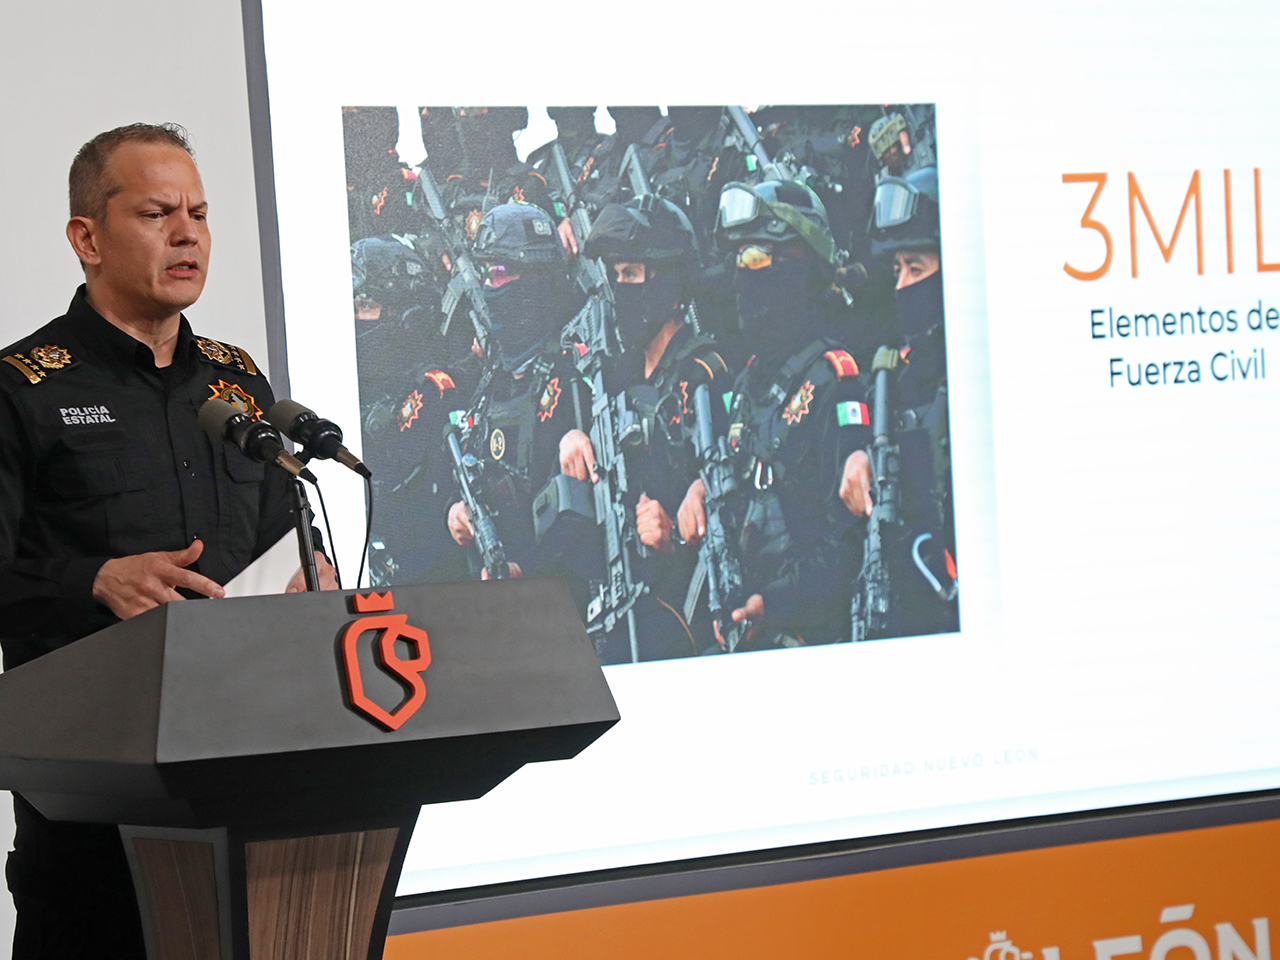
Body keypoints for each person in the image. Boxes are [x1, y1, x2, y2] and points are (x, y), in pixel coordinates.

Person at [0, 122, 336, 959]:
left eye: (199, 214)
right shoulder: (21, 391)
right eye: (157, 214)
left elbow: (276, 543)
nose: (187, 234)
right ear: (87, 239)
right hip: (94, 818)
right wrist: (92, 580)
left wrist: (310, 573)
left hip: (250, 783)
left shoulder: (237, 383)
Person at [676, 179, 873, 650]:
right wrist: (700, 493)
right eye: (738, 259)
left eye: (756, 258)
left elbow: (852, 547)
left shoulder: (835, 380)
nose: (743, 277)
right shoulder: (749, 384)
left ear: (800, 266)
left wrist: (775, 603)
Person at [558, 195, 732, 662]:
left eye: (632, 274)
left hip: (687, 618)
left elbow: (730, 487)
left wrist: (680, 527)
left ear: (667, 278)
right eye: (616, 275)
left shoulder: (704, 371)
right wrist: (574, 439)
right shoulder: (618, 372)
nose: (621, 288)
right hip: (622, 609)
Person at [444, 202, 580, 580]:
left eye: (500, 272)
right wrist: (455, 513)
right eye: (487, 272)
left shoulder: (574, 378)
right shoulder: (495, 377)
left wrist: (526, 570)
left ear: (535, 279)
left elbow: (587, 525)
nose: (489, 285)